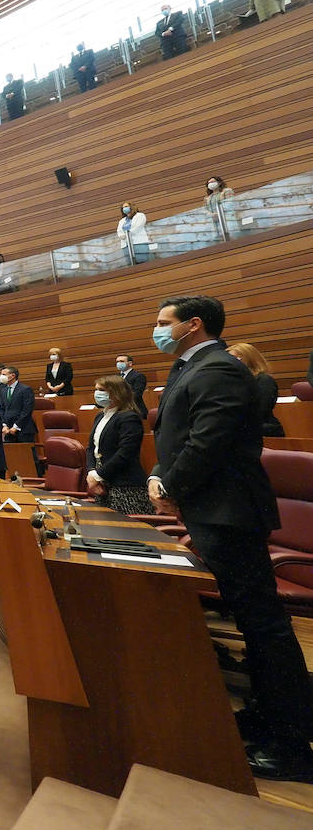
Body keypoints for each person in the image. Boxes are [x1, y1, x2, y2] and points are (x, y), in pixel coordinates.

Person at [147, 295, 313, 780]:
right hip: (210, 509)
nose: (156, 330)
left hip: (228, 513)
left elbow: (209, 441)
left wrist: (172, 485)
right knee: (249, 619)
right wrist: (160, 476)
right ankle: (266, 714)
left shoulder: (218, 368)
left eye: (163, 323)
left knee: (263, 622)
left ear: (193, 325)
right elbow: (172, 436)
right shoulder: (189, 368)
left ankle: (292, 742)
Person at [85, 376, 151, 514]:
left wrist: (98, 475)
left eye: (101, 390)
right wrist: (92, 472)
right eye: (96, 389)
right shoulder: (100, 416)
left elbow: (126, 452)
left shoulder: (129, 417)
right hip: (101, 482)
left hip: (124, 484)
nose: (97, 393)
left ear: (116, 392)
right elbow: (91, 448)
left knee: (128, 531)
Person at [228, 342, 286, 437]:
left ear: (249, 359)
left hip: (263, 429)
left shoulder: (264, 380)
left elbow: (261, 411)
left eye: (235, 359)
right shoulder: (230, 382)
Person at [0, 366, 36, 442]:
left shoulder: (25, 389)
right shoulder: (3, 390)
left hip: (23, 428)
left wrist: (16, 426)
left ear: (12, 375)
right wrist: (4, 425)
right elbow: (2, 409)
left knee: (26, 453)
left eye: (4, 374)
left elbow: (27, 410)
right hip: (8, 430)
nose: (1, 377)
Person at [204, 175, 237, 240]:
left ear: (219, 183)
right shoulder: (207, 198)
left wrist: (218, 213)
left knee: (232, 237)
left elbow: (229, 203)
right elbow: (205, 210)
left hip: (227, 219)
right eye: (209, 183)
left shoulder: (227, 191)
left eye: (213, 182)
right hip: (215, 223)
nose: (211, 184)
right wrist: (211, 215)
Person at [117, 354, 149, 419]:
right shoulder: (116, 377)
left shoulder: (138, 376)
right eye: (117, 361)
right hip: (120, 410)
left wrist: (119, 399)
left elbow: (137, 394)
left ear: (130, 363)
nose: (118, 363)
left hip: (135, 410)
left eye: (121, 361)